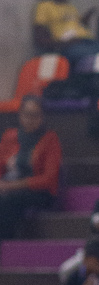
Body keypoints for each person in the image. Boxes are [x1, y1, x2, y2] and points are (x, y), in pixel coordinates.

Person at [0, 95, 61, 240]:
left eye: (35, 115)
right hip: (8, 185)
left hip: (38, 192)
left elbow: (48, 179)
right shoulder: (9, 136)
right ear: (20, 114)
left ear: (42, 116)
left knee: (8, 200)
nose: (30, 119)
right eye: (27, 114)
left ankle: (6, 242)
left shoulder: (50, 139)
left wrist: (12, 186)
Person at [32, 0, 97, 59]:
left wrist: (86, 19)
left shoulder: (71, 7)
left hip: (87, 42)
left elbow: (77, 26)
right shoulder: (44, 6)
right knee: (98, 59)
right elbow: (40, 38)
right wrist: (65, 43)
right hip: (67, 47)